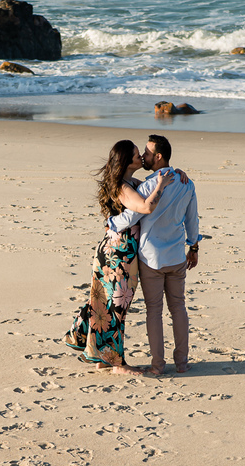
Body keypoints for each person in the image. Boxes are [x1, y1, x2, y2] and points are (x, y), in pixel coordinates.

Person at [64, 140, 174, 374]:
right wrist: (162, 184)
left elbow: (147, 185)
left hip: (116, 249)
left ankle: (101, 355)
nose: (141, 158)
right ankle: (117, 364)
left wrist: (174, 172)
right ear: (126, 161)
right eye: (136, 155)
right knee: (117, 307)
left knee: (106, 303)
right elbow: (146, 207)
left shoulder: (129, 183)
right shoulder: (122, 187)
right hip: (118, 253)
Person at [106, 134, 200, 375]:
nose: (143, 157)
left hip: (151, 259)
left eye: (147, 153)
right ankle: (182, 362)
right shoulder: (186, 182)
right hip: (177, 256)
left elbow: (132, 216)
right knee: (179, 308)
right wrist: (194, 247)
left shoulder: (149, 186)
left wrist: (112, 222)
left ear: (158, 156)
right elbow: (192, 220)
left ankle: (158, 365)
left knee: (154, 311)